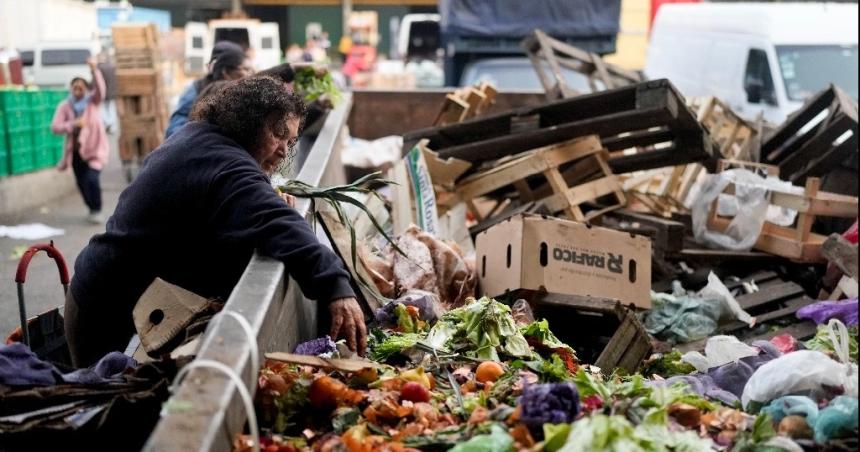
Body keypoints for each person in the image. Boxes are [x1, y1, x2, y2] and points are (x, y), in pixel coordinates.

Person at [64, 76, 366, 367]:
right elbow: (277, 222)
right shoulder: (224, 162)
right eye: (277, 134)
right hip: (104, 312)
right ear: (248, 122)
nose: (284, 150)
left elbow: (244, 202)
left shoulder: (203, 138)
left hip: (108, 295)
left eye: (289, 139)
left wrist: (265, 193)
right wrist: (336, 286)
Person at [51, 58, 109, 224]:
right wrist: (73, 124)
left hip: (95, 150)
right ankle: (90, 207)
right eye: (74, 87)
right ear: (71, 89)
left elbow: (101, 90)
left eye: (81, 87)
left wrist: (94, 70)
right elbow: (55, 127)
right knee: (82, 183)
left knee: (92, 179)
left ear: (86, 89)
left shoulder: (93, 102)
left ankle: (97, 209)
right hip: (76, 152)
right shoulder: (65, 106)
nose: (77, 90)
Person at [164, 41, 253, 139]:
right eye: (246, 69)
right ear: (226, 72)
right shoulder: (196, 90)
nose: (250, 75)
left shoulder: (242, 93)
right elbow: (174, 131)